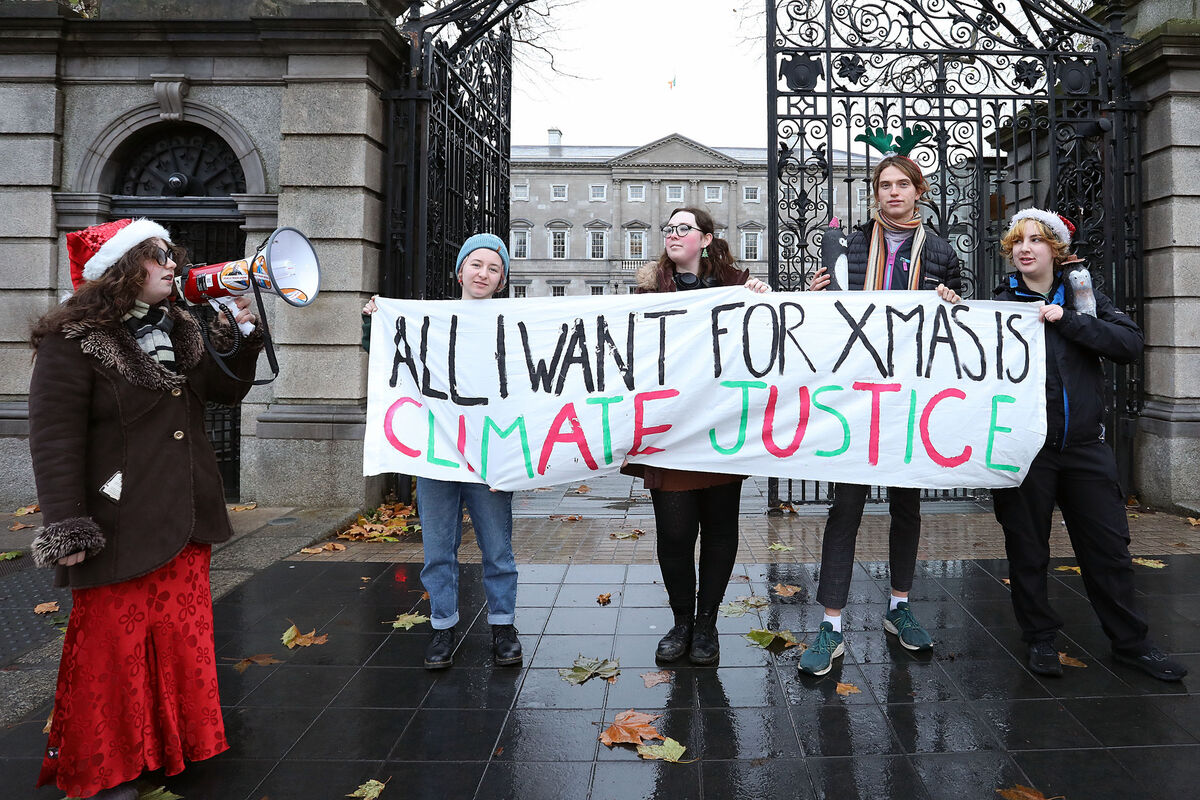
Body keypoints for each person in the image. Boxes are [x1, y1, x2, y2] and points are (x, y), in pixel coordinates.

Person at [28, 218, 262, 799]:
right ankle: (109, 762)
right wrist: (66, 522)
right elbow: (54, 438)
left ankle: (167, 746)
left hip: (183, 514)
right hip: (117, 519)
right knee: (115, 644)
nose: (172, 265)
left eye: (171, 255)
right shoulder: (72, 340)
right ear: (121, 272)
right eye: (158, 256)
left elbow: (225, 392)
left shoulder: (181, 327)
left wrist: (243, 332)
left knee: (179, 638)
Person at [985, 209, 1187, 681]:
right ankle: (1039, 639)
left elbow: (1128, 343)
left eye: (1036, 239)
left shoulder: (1085, 298)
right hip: (1026, 450)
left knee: (1108, 549)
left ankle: (1132, 643)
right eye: (1018, 240)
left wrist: (1067, 320)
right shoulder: (997, 304)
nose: (1025, 248)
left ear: (1055, 250)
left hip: (1084, 448)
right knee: (1027, 548)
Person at [799, 151, 963, 676]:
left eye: (902, 184)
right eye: (884, 184)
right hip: (853, 395)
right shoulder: (844, 243)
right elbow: (821, 322)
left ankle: (899, 609)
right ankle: (831, 626)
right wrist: (812, 296)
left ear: (919, 190)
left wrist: (950, 299)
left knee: (906, 506)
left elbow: (957, 328)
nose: (892, 192)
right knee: (844, 508)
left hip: (907, 398)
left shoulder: (939, 251)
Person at [363, 234, 522, 670]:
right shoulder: (428, 319)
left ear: (502, 279)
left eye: (493, 268)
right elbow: (386, 356)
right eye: (476, 264)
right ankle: (442, 626)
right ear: (459, 272)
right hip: (437, 452)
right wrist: (374, 323)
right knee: (437, 547)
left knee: (497, 546)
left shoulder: (515, 321)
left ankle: (503, 625)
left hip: (491, 451)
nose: (483, 274)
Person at [624, 207, 771, 666]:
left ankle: (707, 624)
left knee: (721, 529)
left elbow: (767, 344)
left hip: (722, 428)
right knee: (675, 532)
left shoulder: (738, 287)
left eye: (683, 228)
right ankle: (681, 621)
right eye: (668, 228)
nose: (673, 234)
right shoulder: (647, 291)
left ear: (706, 239)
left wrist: (762, 300)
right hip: (670, 431)